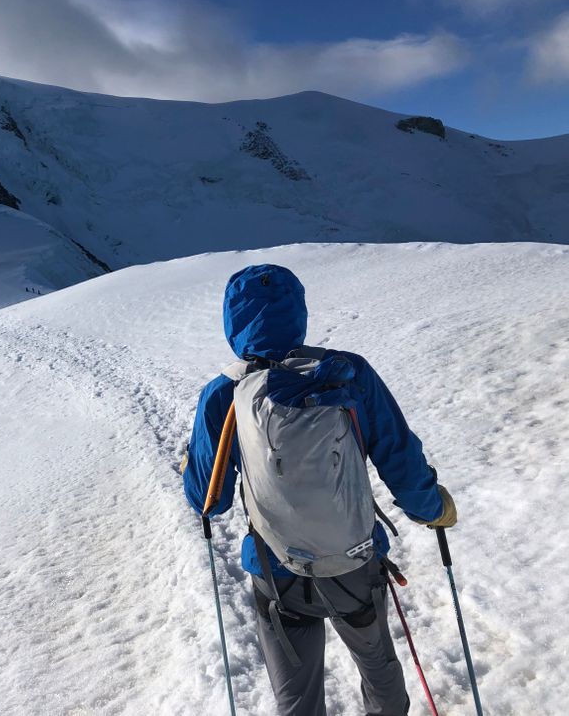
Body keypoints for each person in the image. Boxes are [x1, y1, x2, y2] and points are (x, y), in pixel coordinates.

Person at [182, 264, 457, 716]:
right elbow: (399, 458)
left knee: (296, 697)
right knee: (378, 665)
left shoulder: (224, 393)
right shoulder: (348, 373)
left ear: (232, 320)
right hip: (354, 559)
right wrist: (433, 508)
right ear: (299, 311)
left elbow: (209, 501)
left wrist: (192, 466)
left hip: (276, 571)